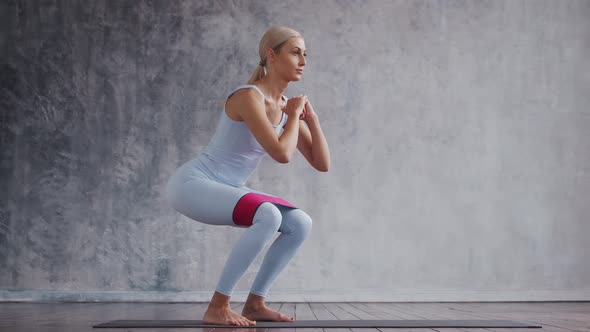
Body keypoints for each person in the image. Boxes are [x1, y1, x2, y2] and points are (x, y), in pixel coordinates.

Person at [165, 26, 330, 326]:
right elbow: (282, 154)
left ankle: (255, 304)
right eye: (295, 52)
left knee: (300, 223)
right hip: (193, 185)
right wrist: (294, 116)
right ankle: (218, 306)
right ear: (271, 54)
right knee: (269, 215)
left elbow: (322, 163)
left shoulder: (284, 108)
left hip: (228, 188)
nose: (303, 60)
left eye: (305, 54)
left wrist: (312, 119)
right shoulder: (247, 97)